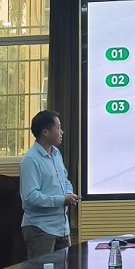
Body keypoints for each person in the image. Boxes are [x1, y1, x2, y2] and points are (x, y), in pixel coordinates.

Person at [20, 110, 79, 259]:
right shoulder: (31, 160)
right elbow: (30, 197)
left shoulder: (56, 153)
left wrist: (69, 194)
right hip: (40, 228)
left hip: (62, 227)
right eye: (58, 128)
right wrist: (62, 200)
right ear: (45, 132)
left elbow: (65, 180)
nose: (62, 132)